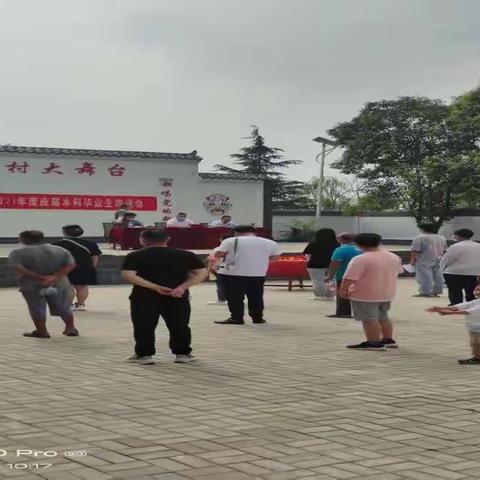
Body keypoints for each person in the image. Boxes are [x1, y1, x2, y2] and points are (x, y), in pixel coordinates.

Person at [121, 228, 208, 365]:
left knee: (144, 325)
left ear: (142, 240)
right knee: (179, 324)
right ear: (167, 239)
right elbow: (202, 273)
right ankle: (183, 353)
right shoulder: (185, 255)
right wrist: (182, 287)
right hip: (177, 295)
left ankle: (144, 355)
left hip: (144, 295)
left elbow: (128, 275)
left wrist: (155, 287)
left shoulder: (135, 255)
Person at [8, 230, 79, 338]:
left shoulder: (18, 252)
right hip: (59, 283)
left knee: (36, 308)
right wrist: (54, 277)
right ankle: (70, 328)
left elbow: (18, 268)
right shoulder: (60, 250)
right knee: (63, 306)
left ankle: (42, 331)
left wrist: (39, 277)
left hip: (31, 285)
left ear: (25, 239)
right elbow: (71, 265)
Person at [339, 233, 403, 351]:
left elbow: (349, 277)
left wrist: (343, 290)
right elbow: (398, 271)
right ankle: (388, 339)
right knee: (383, 316)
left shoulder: (360, 259)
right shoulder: (393, 257)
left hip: (365, 294)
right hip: (386, 292)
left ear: (359, 244)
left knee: (369, 319)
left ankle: (373, 342)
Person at [213, 225, 281, 325]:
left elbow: (218, 254)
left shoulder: (230, 241)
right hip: (258, 273)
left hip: (233, 273)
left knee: (235, 297)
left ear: (236, 232)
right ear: (254, 232)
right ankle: (257, 318)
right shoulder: (270, 242)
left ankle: (237, 318)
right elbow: (275, 257)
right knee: (256, 296)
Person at [53, 225, 102, 312]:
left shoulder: (57, 244)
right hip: (85, 267)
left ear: (65, 233)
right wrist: (92, 267)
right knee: (82, 286)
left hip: (66, 267)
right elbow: (95, 256)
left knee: (68, 287)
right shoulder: (91, 243)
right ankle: (81, 304)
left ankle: (69, 305)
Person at [428, 284, 480, 364]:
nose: (477, 292)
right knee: (474, 343)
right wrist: (441, 308)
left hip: (477, 327)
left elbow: (469, 311)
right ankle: (477, 357)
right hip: (474, 327)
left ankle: (477, 358)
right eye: (476, 290)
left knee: (477, 343)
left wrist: (447, 313)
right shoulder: (476, 301)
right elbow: (459, 306)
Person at [324, 233, 362, 318]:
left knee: (342, 293)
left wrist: (329, 276)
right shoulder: (361, 249)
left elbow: (334, 264)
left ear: (342, 240)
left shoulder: (340, 250)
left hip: (344, 275)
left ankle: (343, 313)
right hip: (360, 276)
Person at [441, 229, 480, 305]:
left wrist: (442, 269)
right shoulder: (478, 246)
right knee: (471, 291)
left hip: (454, 272)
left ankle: (456, 305)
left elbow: (446, 259)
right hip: (474, 273)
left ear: (458, 236)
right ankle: (471, 306)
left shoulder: (455, 246)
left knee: (455, 291)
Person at [410, 224, 447, 298]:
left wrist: (412, 260)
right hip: (438, 258)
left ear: (422, 229)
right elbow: (444, 249)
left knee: (425, 276)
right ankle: (436, 291)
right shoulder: (441, 238)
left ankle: (425, 292)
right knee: (438, 276)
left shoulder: (419, 237)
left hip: (424, 259)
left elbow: (415, 250)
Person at [303, 228, 339, 301]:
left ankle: (320, 295)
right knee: (332, 279)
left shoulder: (313, 243)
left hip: (315, 265)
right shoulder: (337, 244)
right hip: (331, 264)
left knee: (318, 280)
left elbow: (307, 254)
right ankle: (330, 295)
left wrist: (311, 260)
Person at [206, 234, 233, 305]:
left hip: (219, 269)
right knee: (232, 284)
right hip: (232, 269)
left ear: (221, 240)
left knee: (221, 285)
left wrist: (209, 269)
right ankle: (232, 299)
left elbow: (211, 260)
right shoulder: (235, 249)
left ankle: (221, 299)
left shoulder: (217, 249)